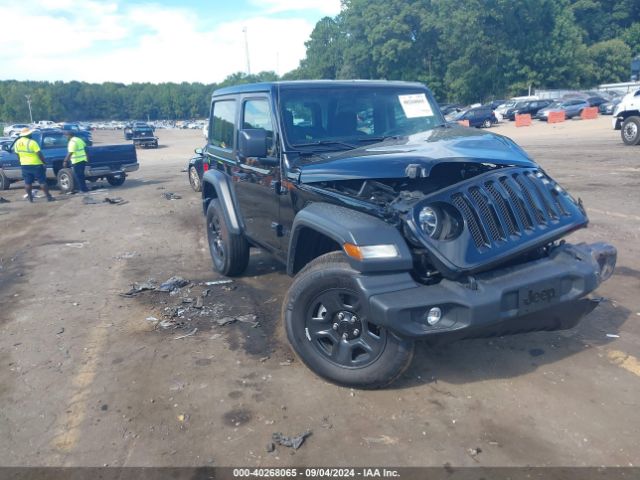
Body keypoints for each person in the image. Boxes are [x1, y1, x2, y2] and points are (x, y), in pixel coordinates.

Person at [14, 128, 54, 202]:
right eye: (30, 133)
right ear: (28, 134)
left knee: (27, 182)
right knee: (42, 181)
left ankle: (30, 198)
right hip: (36, 164)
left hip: (25, 165)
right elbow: (39, 154)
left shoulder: (17, 143)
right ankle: (48, 197)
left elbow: (17, 154)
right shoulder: (32, 142)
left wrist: (21, 161)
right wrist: (44, 162)